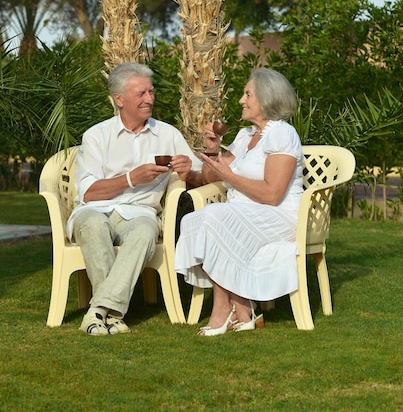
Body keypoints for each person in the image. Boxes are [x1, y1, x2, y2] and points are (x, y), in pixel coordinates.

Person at [67, 62, 202, 336]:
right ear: (119, 99)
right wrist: (132, 178)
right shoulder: (96, 135)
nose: (149, 99)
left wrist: (191, 170)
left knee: (143, 233)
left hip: (141, 213)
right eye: (141, 94)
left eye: (151, 92)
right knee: (93, 225)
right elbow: (89, 192)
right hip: (95, 209)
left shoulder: (167, 134)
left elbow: (200, 172)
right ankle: (113, 314)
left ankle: (98, 312)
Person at [174, 67, 304, 336]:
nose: (241, 101)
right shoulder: (245, 136)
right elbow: (212, 176)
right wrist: (213, 148)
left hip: (279, 215)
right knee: (194, 220)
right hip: (243, 213)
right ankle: (241, 308)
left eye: (248, 95)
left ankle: (222, 310)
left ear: (267, 100)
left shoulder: (282, 134)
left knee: (215, 218)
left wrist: (229, 176)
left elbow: (272, 194)